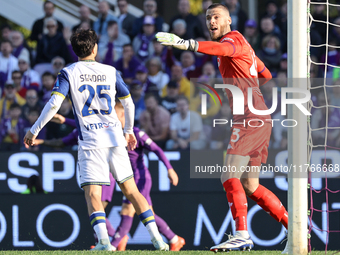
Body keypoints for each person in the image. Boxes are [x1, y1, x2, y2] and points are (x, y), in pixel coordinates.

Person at [156, 3, 288, 252]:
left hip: (250, 118)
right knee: (251, 185)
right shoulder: (244, 47)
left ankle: (241, 234)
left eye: (216, 17)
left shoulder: (233, 41)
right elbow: (266, 74)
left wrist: (186, 44)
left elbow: (221, 48)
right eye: (208, 18)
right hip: (259, 117)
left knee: (228, 175)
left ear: (228, 20)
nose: (211, 22)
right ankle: (297, 228)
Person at [23, 28, 168, 251]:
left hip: (91, 142)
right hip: (114, 138)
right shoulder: (110, 71)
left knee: (93, 193)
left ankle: (103, 242)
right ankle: (158, 240)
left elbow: (53, 104)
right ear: (95, 49)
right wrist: (128, 130)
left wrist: (34, 130)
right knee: (132, 191)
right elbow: (128, 102)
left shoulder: (68, 72)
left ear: (74, 50)